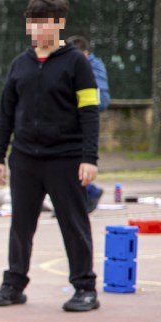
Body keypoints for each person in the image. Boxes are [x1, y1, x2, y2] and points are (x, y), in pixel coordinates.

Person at [0, 0, 100, 312]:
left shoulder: (77, 62)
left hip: (65, 157)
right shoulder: (20, 64)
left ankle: (84, 288)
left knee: (73, 222)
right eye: (33, 23)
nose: (38, 29)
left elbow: (90, 113)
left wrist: (89, 158)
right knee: (21, 225)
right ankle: (13, 284)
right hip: (24, 158)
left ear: (59, 24)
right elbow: (6, 113)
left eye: (45, 23)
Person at [67, 35, 109, 212]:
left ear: (85, 53)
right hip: (71, 122)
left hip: (83, 122)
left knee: (72, 163)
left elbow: (101, 99)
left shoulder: (93, 67)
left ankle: (90, 192)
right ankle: (86, 194)